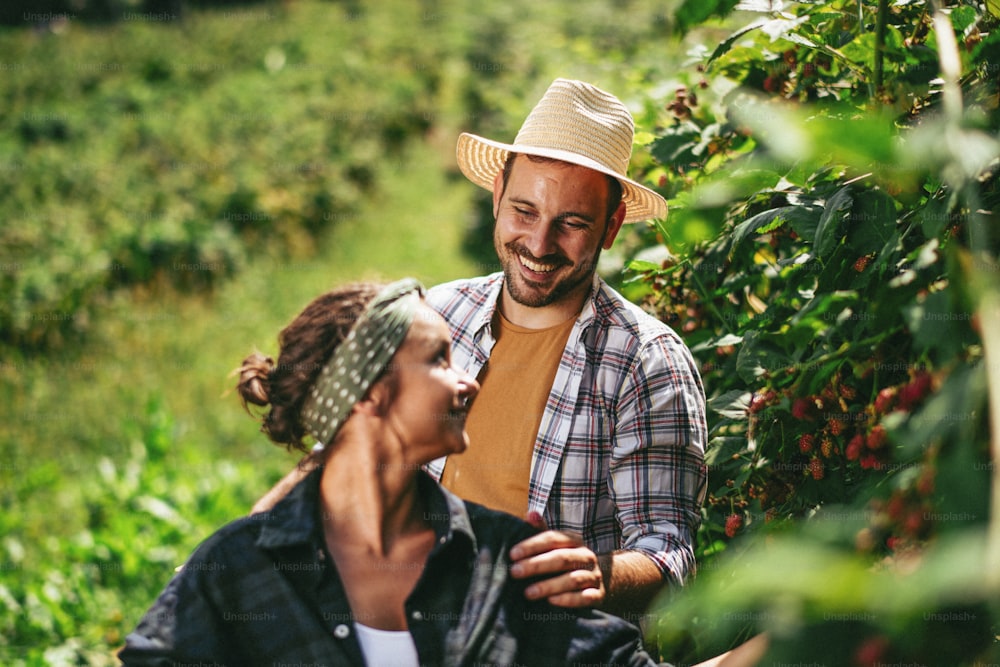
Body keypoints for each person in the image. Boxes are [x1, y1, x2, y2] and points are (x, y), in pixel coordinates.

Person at [252, 78, 709, 621]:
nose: (539, 244)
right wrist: (242, 547)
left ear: (610, 227)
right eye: (524, 211)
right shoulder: (439, 317)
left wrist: (593, 574)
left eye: (572, 223)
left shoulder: (647, 361)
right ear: (497, 196)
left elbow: (670, 554)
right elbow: (347, 455)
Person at [118, 279, 662, 666]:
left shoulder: (505, 561)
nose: (468, 382)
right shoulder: (239, 570)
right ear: (371, 391)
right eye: (439, 360)